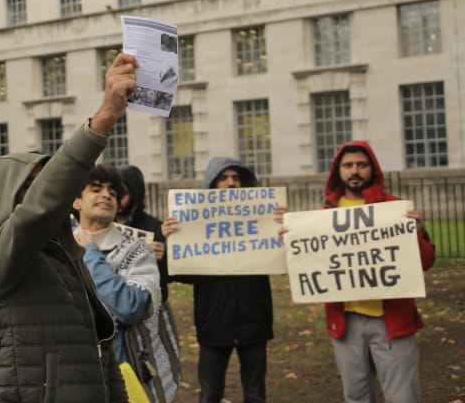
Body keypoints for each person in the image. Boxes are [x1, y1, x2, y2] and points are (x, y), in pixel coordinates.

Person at [0, 53, 137, 402]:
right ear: (3, 195)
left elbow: (99, 346)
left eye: (46, 184)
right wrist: (103, 118)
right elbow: (34, 215)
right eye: (32, 186)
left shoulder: (63, 255)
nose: (49, 196)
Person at [303, 141, 435, 402]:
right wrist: (293, 239)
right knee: (356, 396)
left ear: (372, 169)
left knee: (403, 396)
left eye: (361, 165)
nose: (355, 171)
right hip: (346, 322)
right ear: (337, 171)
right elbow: (307, 262)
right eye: (348, 165)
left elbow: (426, 261)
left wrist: (417, 232)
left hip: (392, 320)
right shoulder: (324, 215)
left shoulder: (395, 208)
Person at [162, 157, 273, 403]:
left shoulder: (263, 222)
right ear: (211, 186)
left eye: (236, 178)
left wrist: (285, 228)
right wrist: (173, 240)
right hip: (213, 323)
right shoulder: (195, 226)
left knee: (255, 395)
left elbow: (282, 259)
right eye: (223, 178)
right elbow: (180, 273)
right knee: (210, 394)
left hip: (255, 321)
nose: (231, 184)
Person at [73, 164, 161, 364]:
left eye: (112, 192)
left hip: (116, 367)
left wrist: (91, 257)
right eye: (96, 189)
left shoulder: (137, 250)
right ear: (77, 201)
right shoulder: (58, 247)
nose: (106, 195)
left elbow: (131, 307)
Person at [116, 164, 170, 302]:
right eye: (113, 192)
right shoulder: (100, 225)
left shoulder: (155, 227)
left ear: (135, 194)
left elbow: (166, 278)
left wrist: (163, 258)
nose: (117, 198)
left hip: (148, 304)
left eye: (123, 193)